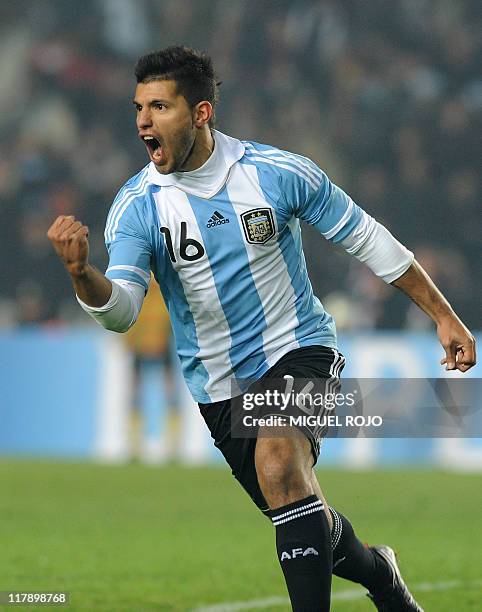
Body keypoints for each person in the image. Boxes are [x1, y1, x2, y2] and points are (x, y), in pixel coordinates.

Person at [47, 46, 476, 611]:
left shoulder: (276, 174)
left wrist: (443, 314)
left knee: (279, 462)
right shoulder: (137, 207)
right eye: (138, 108)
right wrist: (82, 276)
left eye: (158, 106)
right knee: (300, 509)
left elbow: (368, 239)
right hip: (218, 387)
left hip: (299, 348)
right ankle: (383, 576)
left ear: (200, 113)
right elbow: (122, 310)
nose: (143, 123)